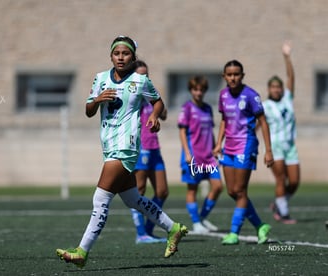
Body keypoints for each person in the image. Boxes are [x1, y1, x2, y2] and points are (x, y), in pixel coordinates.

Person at [56, 36, 188, 268]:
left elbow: (157, 102)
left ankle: (82, 251)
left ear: (133, 57)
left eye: (125, 53)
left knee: (100, 198)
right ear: (111, 56)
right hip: (109, 145)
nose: (120, 57)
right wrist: (97, 100)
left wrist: (155, 116)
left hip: (126, 145)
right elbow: (88, 111)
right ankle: (172, 228)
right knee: (132, 198)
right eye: (116, 53)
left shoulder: (140, 80)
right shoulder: (100, 78)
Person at [213, 60, 274, 245]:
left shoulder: (251, 96)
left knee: (240, 190)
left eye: (236, 74)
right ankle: (260, 225)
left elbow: (263, 121)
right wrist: (218, 144)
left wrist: (268, 150)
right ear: (224, 76)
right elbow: (224, 120)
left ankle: (234, 232)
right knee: (232, 191)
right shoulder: (223, 95)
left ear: (242, 75)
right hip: (228, 147)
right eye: (229, 74)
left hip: (245, 145)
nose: (233, 78)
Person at [130, 60, 169, 244]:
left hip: (155, 148)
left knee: (162, 191)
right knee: (139, 191)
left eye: (146, 75)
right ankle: (140, 234)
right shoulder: (132, 96)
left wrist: (156, 106)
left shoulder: (150, 93)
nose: (144, 78)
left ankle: (148, 229)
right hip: (140, 148)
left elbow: (165, 114)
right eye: (140, 75)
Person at [178, 76, 223, 234]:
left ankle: (202, 218)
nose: (198, 93)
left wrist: (215, 148)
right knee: (192, 189)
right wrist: (187, 153)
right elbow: (182, 131)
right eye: (195, 89)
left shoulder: (207, 109)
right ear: (191, 90)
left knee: (218, 186)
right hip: (193, 157)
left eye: (201, 90)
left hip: (208, 157)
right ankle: (196, 223)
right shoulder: (187, 108)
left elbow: (210, 131)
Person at [262, 42, 299, 224]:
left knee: (294, 182)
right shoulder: (265, 106)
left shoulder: (287, 100)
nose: (276, 89)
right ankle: (283, 213)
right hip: (275, 146)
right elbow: (257, 126)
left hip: (290, 145)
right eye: (273, 87)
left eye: (279, 86)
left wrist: (287, 57)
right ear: (269, 89)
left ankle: (278, 203)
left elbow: (291, 77)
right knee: (280, 178)